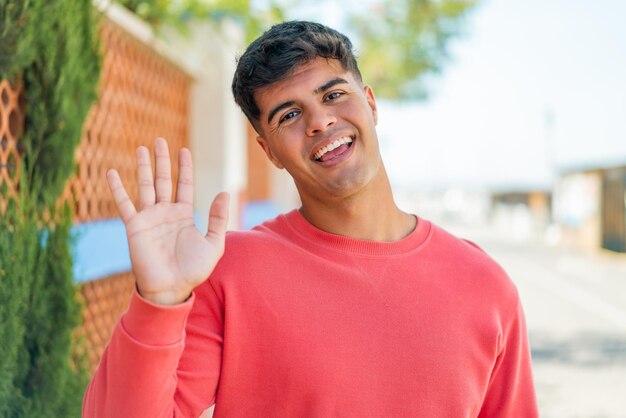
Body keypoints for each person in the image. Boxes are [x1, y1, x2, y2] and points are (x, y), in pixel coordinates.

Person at [83, 21, 538, 417]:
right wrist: (158, 301)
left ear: (371, 104)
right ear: (269, 152)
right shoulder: (229, 271)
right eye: (290, 114)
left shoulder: (485, 286)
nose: (320, 121)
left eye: (334, 94)